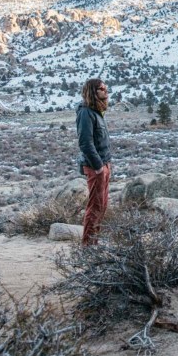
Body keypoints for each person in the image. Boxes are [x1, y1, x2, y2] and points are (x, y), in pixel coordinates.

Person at [76, 78, 112, 246]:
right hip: (95, 167)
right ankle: (88, 248)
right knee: (95, 208)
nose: (106, 92)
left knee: (102, 206)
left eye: (105, 88)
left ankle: (93, 244)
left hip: (104, 164)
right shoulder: (86, 112)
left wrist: (106, 164)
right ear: (93, 91)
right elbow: (85, 142)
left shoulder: (96, 111)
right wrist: (98, 166)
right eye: (102, 89)